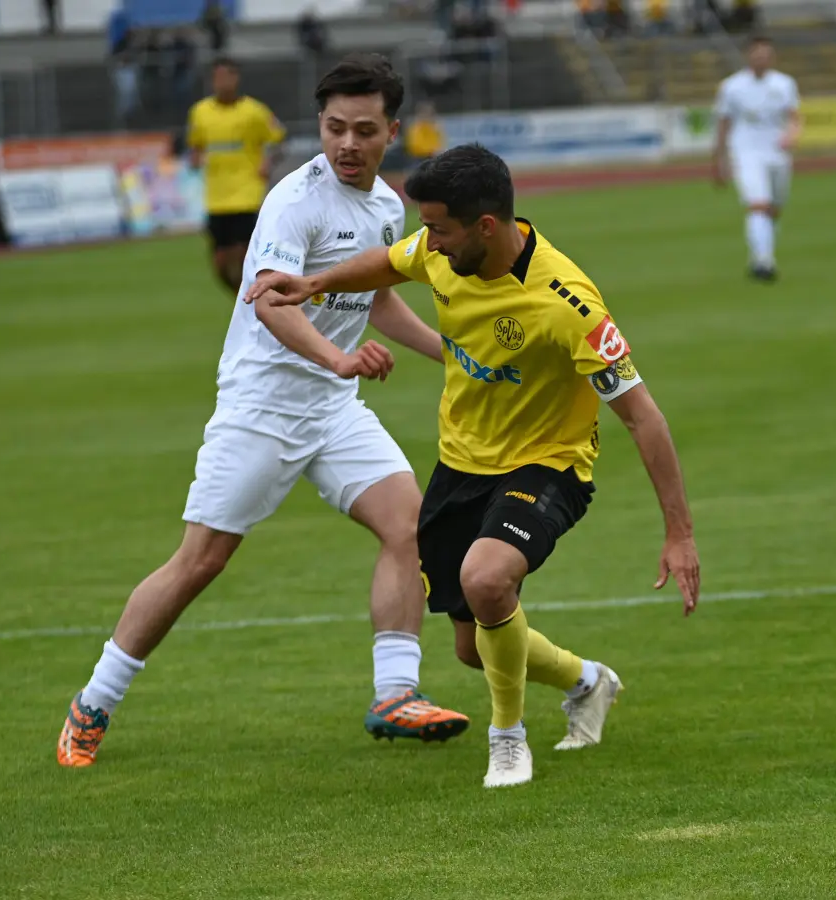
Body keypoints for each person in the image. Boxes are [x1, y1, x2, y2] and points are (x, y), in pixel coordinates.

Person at [56, 55, 471, 769]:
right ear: (318, 125)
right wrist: (340, 359)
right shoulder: (292, 203)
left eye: (363, 130)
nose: (346, 143)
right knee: (201, 561)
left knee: (410, 525)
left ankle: (395, 695)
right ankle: (92, 704)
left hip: (331, 409)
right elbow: (272, 302)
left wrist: (455, 355)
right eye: (334, 127)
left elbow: (376, 300)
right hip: (262, 408)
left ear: (392, 132)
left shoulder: (386, 207)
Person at [246, 143, 702, 789]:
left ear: (486, 226)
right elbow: (388, 261)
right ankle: (587, 681)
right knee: (471, 645)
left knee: (488, 581)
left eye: (438, 226)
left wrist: (679, 533)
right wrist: (316, 282)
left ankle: (507, 739)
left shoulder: (569, 304)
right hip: (462, 463)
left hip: (549, 465)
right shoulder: (440, 252)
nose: (427, 240)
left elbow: (643, 416)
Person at [186, 58, 285, 294]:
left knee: (243, 256)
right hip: (217, 197)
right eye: (218, 77)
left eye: (227, 77)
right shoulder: (200, 112)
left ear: (236, 79)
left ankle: (251, 300)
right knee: (220, 262)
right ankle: (242, 300)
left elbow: (279, 142)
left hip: (246, 193)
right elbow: (196, 146)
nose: (223, 82)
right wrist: (195, 158)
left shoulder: (254, 111)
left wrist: (267, 162)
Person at [711, 36, 800, 282]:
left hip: (777, 153)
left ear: (772, 57)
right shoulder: (732, 86)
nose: (761, 58)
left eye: (766, 54)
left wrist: (792, 135)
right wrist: (720, 160)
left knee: (773, 209)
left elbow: (794, 116)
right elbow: (723, 123)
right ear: (748, 56)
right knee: (758, 204)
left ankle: (760, 253)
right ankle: (764, 262)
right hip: (745, 151)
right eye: (756, 54)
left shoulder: (784, 84)